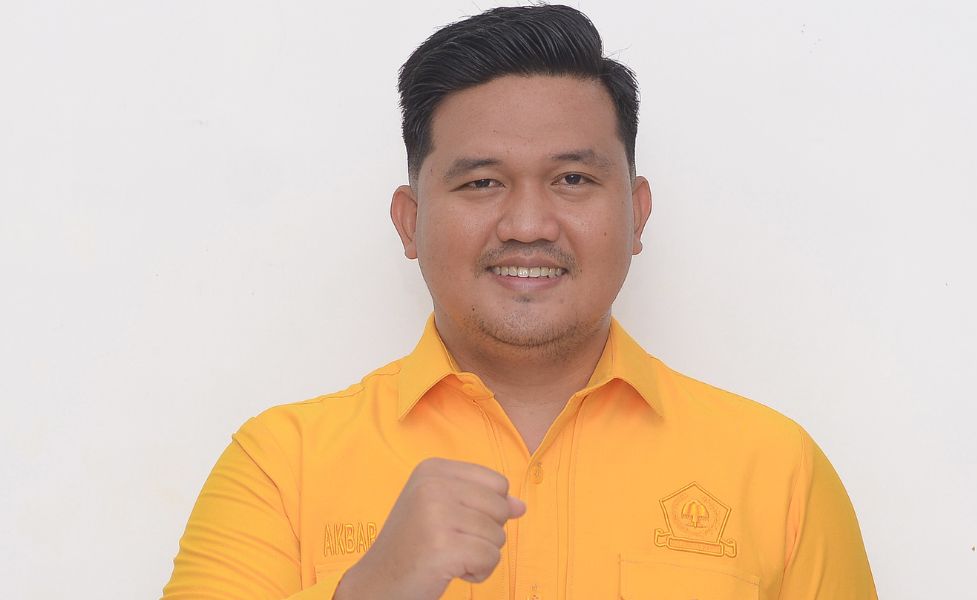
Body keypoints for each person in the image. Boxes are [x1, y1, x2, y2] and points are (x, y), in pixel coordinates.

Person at [163, 5, 877, 599]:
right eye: (481, 183)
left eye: (572, 179)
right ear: (410, 222)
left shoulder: (776, 470)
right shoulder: (281, 465)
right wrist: (370, 590)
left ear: (637, 214)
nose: (529, 225)